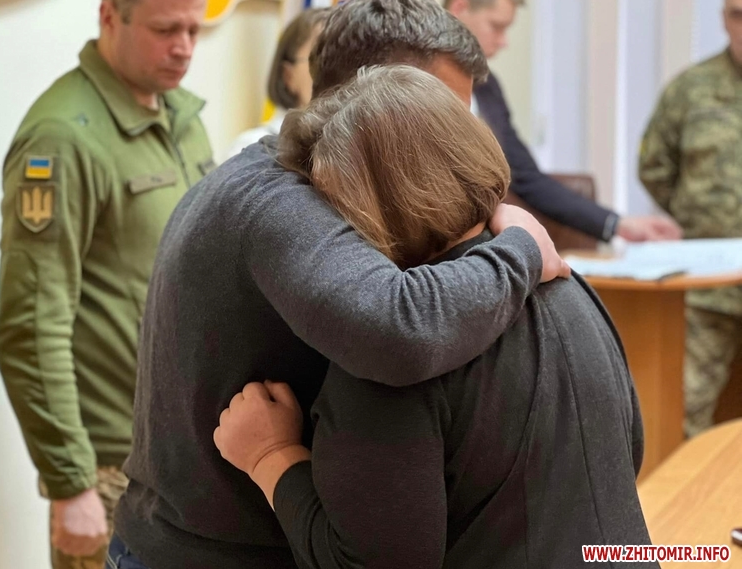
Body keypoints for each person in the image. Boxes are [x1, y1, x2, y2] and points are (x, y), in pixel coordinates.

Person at [108, 0, 571, 567]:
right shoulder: (279, 199)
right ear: (375, 94)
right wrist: (521, 249)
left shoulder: (317, 181)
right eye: (441, 116)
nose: (458, 146)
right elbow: (400, 330)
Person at [215, 64, 654, 569]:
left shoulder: (393, 361)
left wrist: (271, 457)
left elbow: (372, 563)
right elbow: (629, 452)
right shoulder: (569, 284)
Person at [0, 0, 213, 566]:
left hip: (186, 456)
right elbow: (31, 326)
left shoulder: (182, 118)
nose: (184, 47)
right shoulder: (62, 137)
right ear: (110, 16)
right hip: (113, 471)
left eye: (194, 29)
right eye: (165, 29)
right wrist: (70, 483)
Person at [446, 0, 682, 243]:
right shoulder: (420, 87)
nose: (504, 41)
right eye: (496, 26)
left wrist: (617, 224)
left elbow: (527, 177)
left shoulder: (488, 87)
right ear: (460, 8)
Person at [639, 0, 742, 437]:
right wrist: (702, 219)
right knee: (678, 415)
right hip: (708, 286)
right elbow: (655, 168)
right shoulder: (691, 89)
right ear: (724, 19)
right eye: (738, 14)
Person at [224, 9, 327, 160]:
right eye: (322, 58)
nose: (336, 69)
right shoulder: (252, 149)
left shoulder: (356, 148)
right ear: (288, 75)